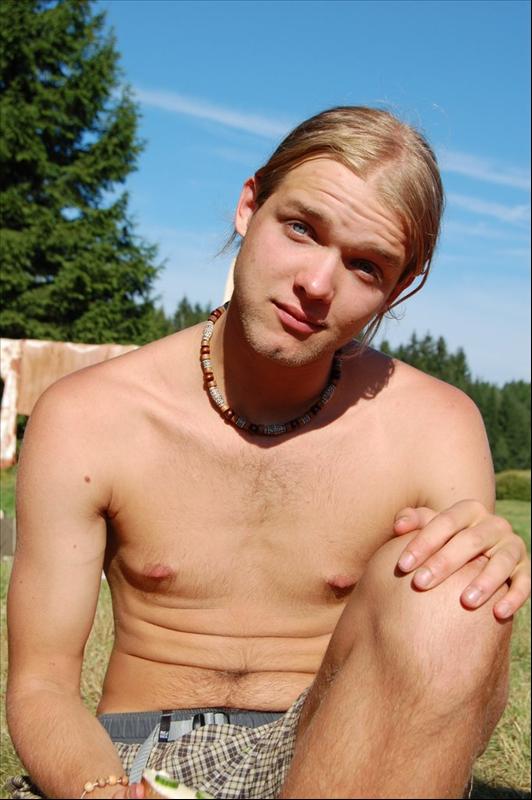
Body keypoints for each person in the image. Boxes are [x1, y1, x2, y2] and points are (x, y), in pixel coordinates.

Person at [6, 106, 530, 800]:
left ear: (398, 288)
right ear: (249, 206)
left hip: (340, 750)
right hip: (142, 761)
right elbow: (40, 684)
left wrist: (492, 574)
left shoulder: (436, 427)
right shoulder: (90, 415)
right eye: (302, 228)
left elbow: (457, 697)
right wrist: (101, 791)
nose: (317, 284)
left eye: (365, 266)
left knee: (456, 585)